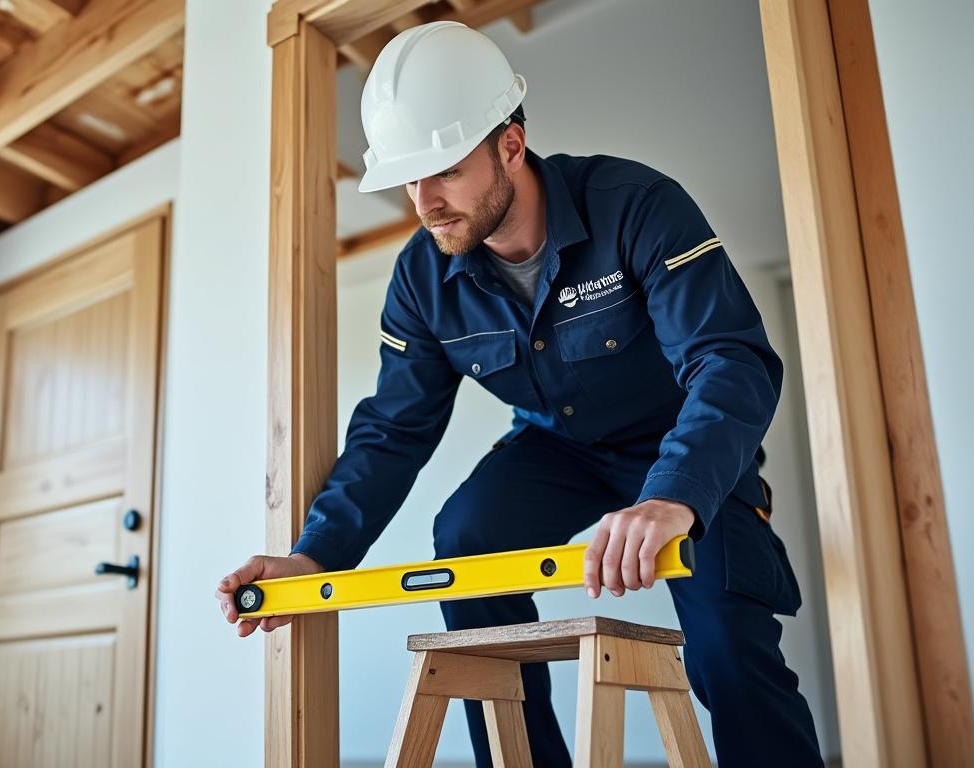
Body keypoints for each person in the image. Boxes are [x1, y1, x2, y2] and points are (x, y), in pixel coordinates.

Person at [216, 20, 823, 767]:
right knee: (465, 535)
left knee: (731, 653)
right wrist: (314, 558)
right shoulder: (420, 278)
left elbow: (729, 359)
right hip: (556, 447)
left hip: (680, 449)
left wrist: (676, 494)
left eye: (444, 170)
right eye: (409, 178)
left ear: (510, 143)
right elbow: (392, 432)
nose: (425, 200)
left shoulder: (637, 205)